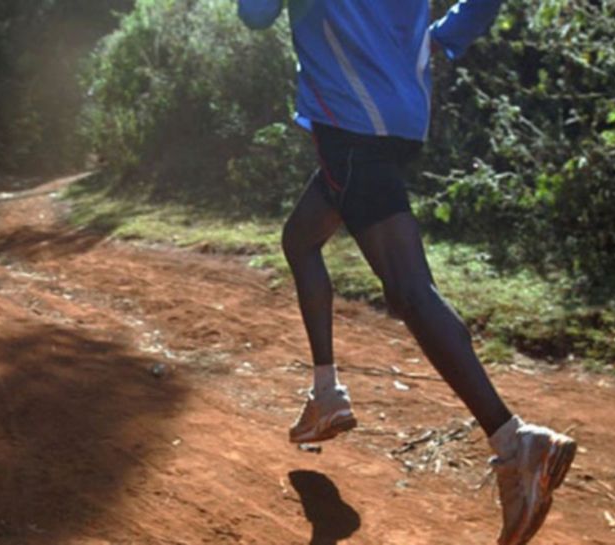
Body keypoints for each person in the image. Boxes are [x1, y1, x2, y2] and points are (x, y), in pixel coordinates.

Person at [236, 1, 577, 544]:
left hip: (352, 125)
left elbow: (254, 15)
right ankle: (326, 394)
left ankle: (515, 443)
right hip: (401, 117)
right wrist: (441, 37)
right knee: (300, 240)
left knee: (410, 292)